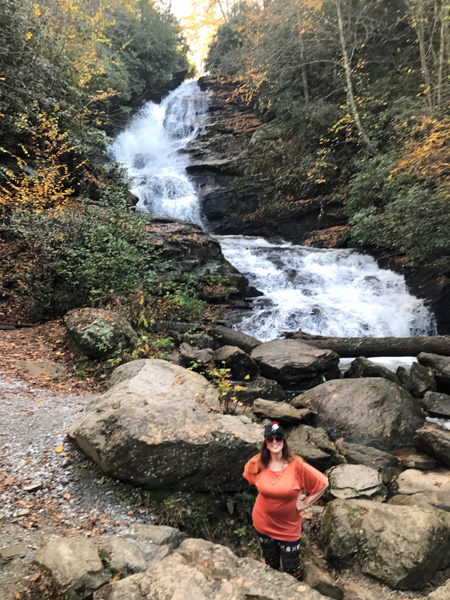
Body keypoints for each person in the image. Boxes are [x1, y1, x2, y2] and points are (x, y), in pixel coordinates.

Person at [243, 421, 329, 581]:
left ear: (284, 441)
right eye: (270, 438)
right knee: (271, 563)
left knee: (292, 571)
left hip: (288, 528)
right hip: (263, 522)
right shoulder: (258, 463)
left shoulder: (297, 466)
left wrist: (305, 503)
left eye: (278, 438)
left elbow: (323, 483)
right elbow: (248, 474)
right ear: (265, 442)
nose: (274, 441)